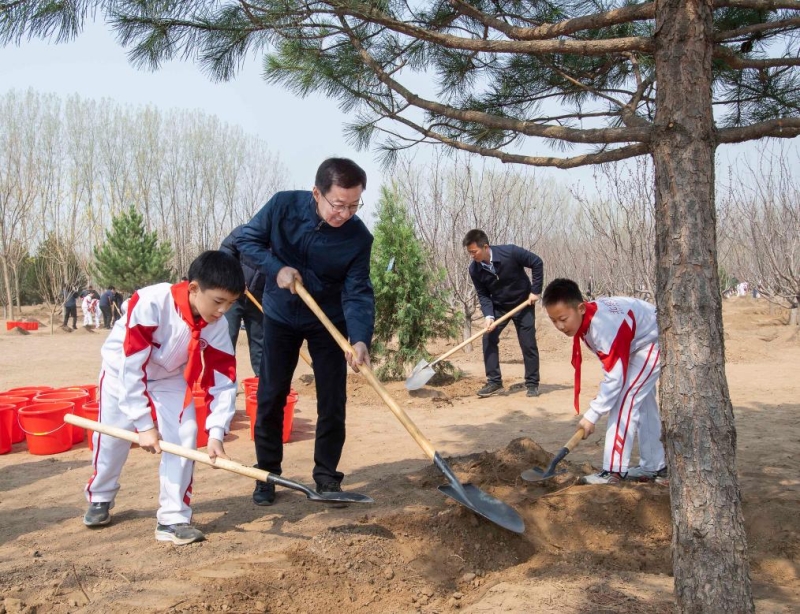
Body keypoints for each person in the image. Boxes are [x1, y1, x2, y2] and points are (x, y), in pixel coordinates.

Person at [82, 251, 244, 544]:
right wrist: (144, 425)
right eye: (218, 301)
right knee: (114, 436)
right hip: (123, 370)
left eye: (230, 304)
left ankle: (174, 518)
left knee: (185, 435)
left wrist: (217, 433)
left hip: (170, 377)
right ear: (194, 288)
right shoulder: (152, 302)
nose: (223, 311)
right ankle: (100, 496)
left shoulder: (217, 326)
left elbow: (223, 381)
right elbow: (132, 365)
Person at [238, 158, 374, 506]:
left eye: (354, 205)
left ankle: (327, 478)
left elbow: (357, 290)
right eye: (338, 205)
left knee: (333, 400)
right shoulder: (283, 206)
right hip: (281, 315)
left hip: (327, 321)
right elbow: (247, 241)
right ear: (317, 193)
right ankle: (267, 473)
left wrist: (359, 338)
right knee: (271, 394)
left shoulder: (358, 237)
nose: (344, 213)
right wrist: (275, 268)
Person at [541, 278, 667, 485]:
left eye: (563, 318)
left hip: (652, 339)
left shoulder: (604, 328)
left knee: (626, 399)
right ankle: (655, 467)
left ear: (581, 308)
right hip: (637, 341)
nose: (560, 326)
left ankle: (613, 472)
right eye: (554, 321)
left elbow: (615, 379)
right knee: (642, 401)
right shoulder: (589, 320)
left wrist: (592, 415)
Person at [463, 229, 544, 398]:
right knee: (489, 337)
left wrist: (535, 291)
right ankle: (494, 381)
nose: (472, 256)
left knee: (527, 343)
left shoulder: (511, 252)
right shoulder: (475, 269)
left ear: (485, 247)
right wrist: (488, 316)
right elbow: (483, 295)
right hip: (499, 307)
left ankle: (532, 383)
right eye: (469, 253)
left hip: (523, 303)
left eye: (474, 252)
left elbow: (537, 262)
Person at [219, 225, 265, 375]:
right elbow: (225, 252)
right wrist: (235, 276)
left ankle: (261, 379)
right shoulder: (245, 232)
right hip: (233, 297)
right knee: (228, 337)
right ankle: (223, 378)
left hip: (258, 298)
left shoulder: (280, 241)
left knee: (260, 341)